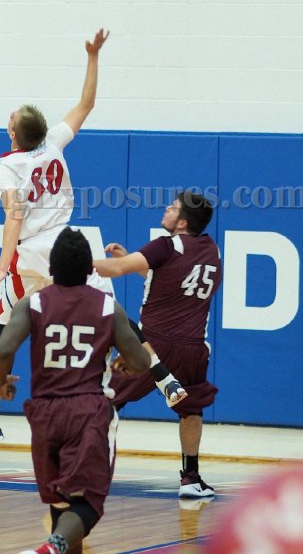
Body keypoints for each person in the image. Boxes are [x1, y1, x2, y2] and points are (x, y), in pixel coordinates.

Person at [0, 30, 185, 451]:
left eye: (11, 116)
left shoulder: (4, 169)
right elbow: (86, 105)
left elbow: (15, 215)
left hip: (33, 253)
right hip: (70, 243)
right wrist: (93, 57)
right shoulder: (53, 143)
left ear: (13, 133)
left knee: (5, 330)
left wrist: (2, 267)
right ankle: (164, 376)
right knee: (112, 313)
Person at [0, 227, 152, 554]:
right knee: (88, 503)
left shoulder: (33, 303)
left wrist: (2, 381)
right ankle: (52, 547)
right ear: (90, 269)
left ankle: (55, 547)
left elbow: (3, 349)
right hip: (87, 411)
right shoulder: (106, 307)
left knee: (61, 503)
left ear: (51, 267)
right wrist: (126, 364)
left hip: (45, 412)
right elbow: (142, 361)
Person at [93, 191, 222, 498]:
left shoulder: (165, 245)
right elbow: (171, 277)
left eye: (173, 208)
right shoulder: (211, 250)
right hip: (193, 348)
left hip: (153, 345)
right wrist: (132, 258)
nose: (166, 209)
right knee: (191, 410)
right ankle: (191, 479)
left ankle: (87, 469)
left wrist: (68, 262)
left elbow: (114, 270)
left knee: (103, 400)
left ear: (182, 222)